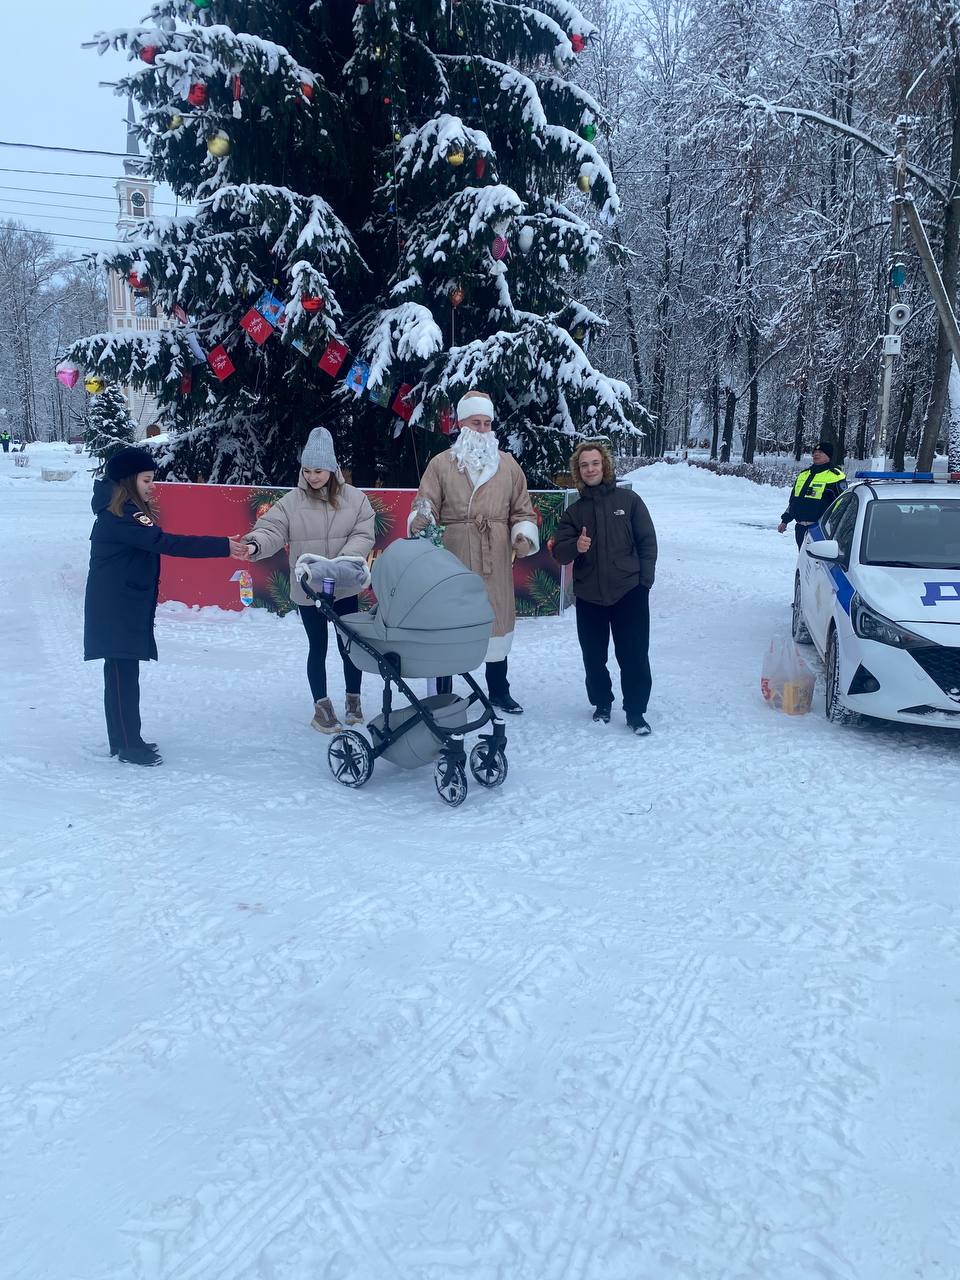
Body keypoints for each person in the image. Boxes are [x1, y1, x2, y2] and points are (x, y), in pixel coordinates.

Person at [83, 446, 249, 767]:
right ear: (129, 480)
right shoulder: (121, 515)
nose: (152, 486)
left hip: (120, 604)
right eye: (146, 480)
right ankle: (128, 745)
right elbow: (166, 543)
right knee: (122, 675)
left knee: (121, 674)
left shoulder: (124, 510)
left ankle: (124, 740)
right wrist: (223, 546)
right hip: (116, 608)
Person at [409, 390, 540, 713]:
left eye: (486, 423)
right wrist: (421, 518)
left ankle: (499, 690)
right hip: (453, 556)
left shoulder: (507, 465)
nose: (482, 429)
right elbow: (425, 502)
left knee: (495, 620)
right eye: (475, 423)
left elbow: (522, 509)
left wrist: (522, 534)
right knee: (450, 624)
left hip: (494, 554)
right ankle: (444, 694)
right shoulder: (441, 464)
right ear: (460, 424)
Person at [244, 427, 376, 733]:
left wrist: (342, 563)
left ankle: (353, 700)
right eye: (307, 470)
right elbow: (272, 529)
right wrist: (254, 544)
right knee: (317, 647)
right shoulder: (292, 502)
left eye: (318, 470)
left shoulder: (355, 499)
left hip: (344, 586)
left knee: (349, 645)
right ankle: (322, 708)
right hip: (309, 588)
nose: (312, 477)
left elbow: (363, 533)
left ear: (332, 468)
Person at [551, 441, 658, 735]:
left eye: (595, 463)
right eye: (584, 465)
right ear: (578, 471)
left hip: (629, 593)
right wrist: (576, 545)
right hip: (589, 596)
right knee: (594, 657)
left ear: (605, 465)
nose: (590, 469)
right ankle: (601, 703)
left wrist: (644, 584)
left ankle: (636, 712)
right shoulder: (574, 512)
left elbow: (648, 543)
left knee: (634, 656)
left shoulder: (629, 501)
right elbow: (559, 552)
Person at [778, 442, 846, 548]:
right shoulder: (803, 474)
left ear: (828, 456)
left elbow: (842, 505)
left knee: (819, 558)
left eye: (821, 452)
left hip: (820, 529)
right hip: (800, 528)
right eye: (815, 452)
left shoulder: (835, 476)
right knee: (803, 557)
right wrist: (785, 520)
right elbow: (794, 502)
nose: (816, 454)